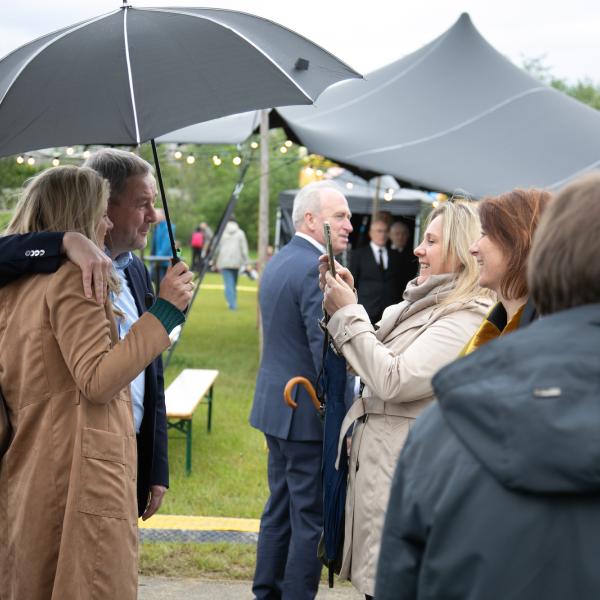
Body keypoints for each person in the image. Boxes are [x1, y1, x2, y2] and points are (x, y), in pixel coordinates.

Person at [375, 174, 600, 600]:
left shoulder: (452, 414)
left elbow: (402, 572)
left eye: (488, 235)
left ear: (529, 249)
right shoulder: (476, 362)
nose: (474, 246)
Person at [0, 165, 192, 599]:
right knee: (86, 582)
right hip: (80, 467)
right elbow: (98, 379)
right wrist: (164, 313)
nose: (105, 223)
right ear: (81, 212)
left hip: (32, 460)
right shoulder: (75, 276)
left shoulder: (17, 282)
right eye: (99, 212)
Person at [320, 200, 493, 598]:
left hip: (404, 483)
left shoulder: (465, 316)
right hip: (386, 479)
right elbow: (363, 362)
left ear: (461, 249)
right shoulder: (419, 307)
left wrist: (348, 313)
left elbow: (394, 379)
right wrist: (345, 300)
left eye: (430, 241)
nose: (417, 250)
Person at [250, 181, 353, 600]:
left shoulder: (278, 261)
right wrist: (346, 413)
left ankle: (266, 592)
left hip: (276, 407)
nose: (349, 224)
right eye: (340, 216)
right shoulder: (315, 269)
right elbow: (324, 353)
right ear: (311, 220)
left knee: (280, 510)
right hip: (304, 410)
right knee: (308, 518)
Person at [463, 188, 552, 353]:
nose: (473, 248)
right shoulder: (495, 323)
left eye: (484, 233)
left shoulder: (547, 337)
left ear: (519, 242)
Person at [350, 218, 414, 323]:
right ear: (371, 233)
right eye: (379, 231)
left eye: (385, 231)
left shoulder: (396, 255)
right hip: (367, 308)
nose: (382, 235)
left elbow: (400, 282)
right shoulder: (359, 254)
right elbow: (353, 281)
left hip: (390, 310)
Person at [213, 217, 249, 310]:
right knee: (234, 284)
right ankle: (232, 303)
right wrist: (246, 261)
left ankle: (232, 304)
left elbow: (216, 248)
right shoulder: (241, 233)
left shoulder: (222, 233)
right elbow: (244, 249)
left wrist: (213, 260)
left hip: (224, 261)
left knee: (228, 283)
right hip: (237, 261)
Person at [150, 208, 175, 284]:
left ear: (162, 216)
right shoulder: (157, 228)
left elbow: (167, 245)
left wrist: (158, 258)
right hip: (158, 261)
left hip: (165, 262)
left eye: (156, 214)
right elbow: (154, 246)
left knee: (163, 284)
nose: (154, 217)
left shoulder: (169, 226)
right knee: (157, 284)